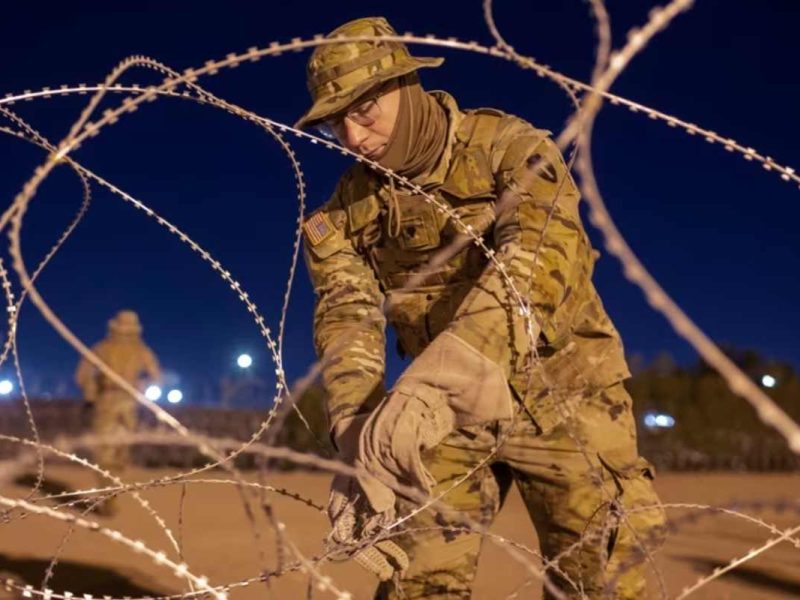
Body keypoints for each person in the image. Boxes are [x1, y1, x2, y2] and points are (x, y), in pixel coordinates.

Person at [298, 17, 666, 599]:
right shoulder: (344, 214)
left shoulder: (510, 150)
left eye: (364, 110)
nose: (352, 136)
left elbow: (537, 261)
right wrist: (355, 426)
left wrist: (443, 376)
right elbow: (347, 314)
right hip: (444, 418)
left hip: (562, 398)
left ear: (406, 86)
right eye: (335, 122)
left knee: (600, 584)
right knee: (415, 582)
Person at [75, 310, 161, 514]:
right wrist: (93, 391)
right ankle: (109, 496)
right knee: (109, 452)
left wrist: (92, 392)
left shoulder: (137, 351)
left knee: (115, 454)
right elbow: (83, 375)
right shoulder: (104, 349)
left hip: (122, 404)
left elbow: (82, 376)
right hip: (113, 404)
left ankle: (110, 493)